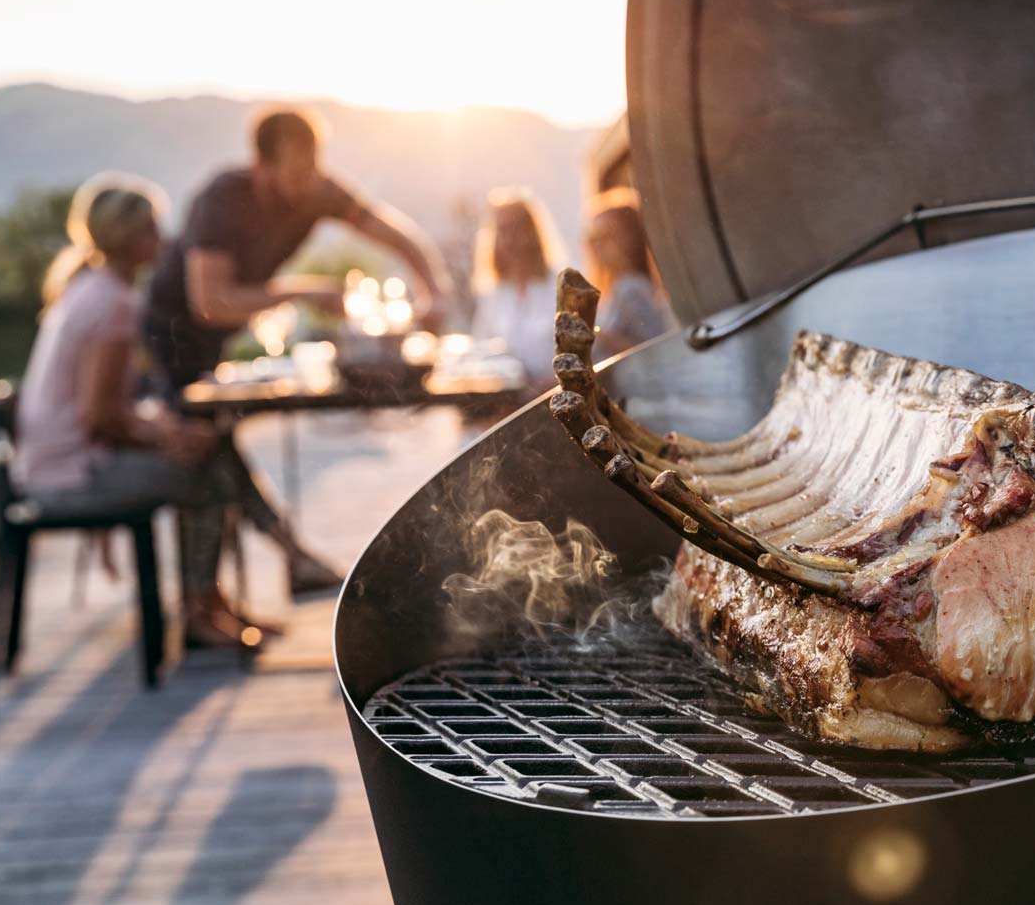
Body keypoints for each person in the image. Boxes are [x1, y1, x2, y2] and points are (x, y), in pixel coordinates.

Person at [143, 107, 455, 592]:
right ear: (260, 164)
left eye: (312, 170)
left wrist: (433, 286)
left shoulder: (318, 190)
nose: (307, 186)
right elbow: (210, 301)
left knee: (218, 453)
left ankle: (231, 589)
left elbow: (395, 234)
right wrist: (304, 290)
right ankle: (231, 588)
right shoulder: (223, 199)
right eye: (294, 174)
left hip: (214, 346)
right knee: (205, 452)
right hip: (170, 336)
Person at [13, 174, 310, 649]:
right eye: (153, 229)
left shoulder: (86, 288)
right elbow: (98, 416)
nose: (164, 239)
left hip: (54, 465)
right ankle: (207, 608)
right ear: (129, 238)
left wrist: (160, 428)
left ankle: (220, 601)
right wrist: (162, 437)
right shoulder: (112, 303)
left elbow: (104, 408)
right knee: (205, 470)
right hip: (68, 478)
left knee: (209, 448)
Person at [468, 188, 567, 391]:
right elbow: (481, 350)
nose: (511, 239)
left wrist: (550, 385)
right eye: (503, 230)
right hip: (507, 403)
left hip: (557, 398)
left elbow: (586, 355)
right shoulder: (494, 292)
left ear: (533, 231)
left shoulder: (559, 285)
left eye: (517, 228)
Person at [583, 187, 676, 358]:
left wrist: (594, 333)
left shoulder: (631, 287)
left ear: (629, 237)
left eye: (604, 235)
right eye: (592, 237)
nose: (595, 245)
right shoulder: (618, 288)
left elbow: (653, 346)